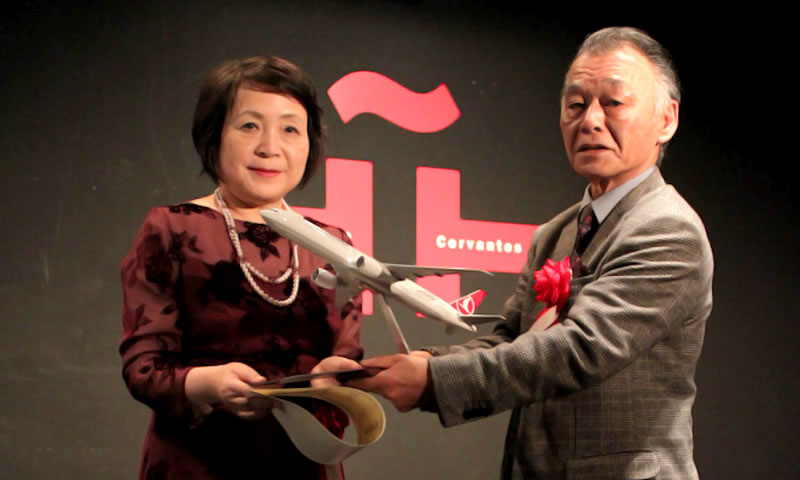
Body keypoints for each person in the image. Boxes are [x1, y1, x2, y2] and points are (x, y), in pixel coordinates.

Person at [313, 27, 713, 479]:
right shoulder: (555, 233)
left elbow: (578, 349)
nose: (590, 120)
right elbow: (511, 340)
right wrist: (414, 365)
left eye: (614, 102)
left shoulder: (668, 229)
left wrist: (431, 381)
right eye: (576, 104)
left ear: (667, 119)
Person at [119, 56, 363, 480]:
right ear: (214, 135)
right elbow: (144, 368)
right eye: (250, 125)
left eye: (290, 129)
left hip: (302, 462)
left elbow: (346, 356)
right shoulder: (172, 228)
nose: (270, 146)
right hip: (198, 460)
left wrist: (336, 381)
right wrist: (208, 384)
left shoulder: (334, 244)